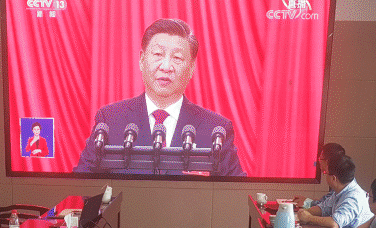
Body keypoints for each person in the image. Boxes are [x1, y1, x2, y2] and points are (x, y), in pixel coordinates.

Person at [73, 18, 246, 177]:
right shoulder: (111, 120)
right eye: (158, 55)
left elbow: (235, 192)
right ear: (142, 60)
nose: (166, 66)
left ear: (192, 68)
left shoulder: (216, 129)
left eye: (177, 58)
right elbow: (83, 183)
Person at [295, 154, 371, 228]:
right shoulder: (340, 190)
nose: (324, 175)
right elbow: (322, 208)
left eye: (325, 173)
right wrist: (303, 213)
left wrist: (309, 218)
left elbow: (334, 223)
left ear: (334, 178)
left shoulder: (353, 198)